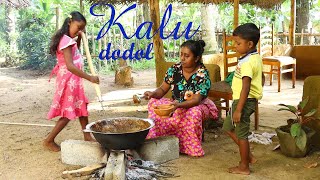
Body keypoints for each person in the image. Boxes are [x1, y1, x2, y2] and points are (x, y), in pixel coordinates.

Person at [144, 40, 218, 157]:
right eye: (181, 54)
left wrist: (178, 105)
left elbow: (196, 100)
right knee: (153, 103)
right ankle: (158, 141)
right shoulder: (175, 69)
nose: (182, 58)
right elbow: (163, 89)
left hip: (197, 105)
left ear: (196, 58)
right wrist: (152, 94)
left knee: (194, 113)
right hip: (176, 104)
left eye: (187, 56)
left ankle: (190, 148)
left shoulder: (202, 74)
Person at [43, 11, 99, 152]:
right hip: (69, 80)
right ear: (69, 22)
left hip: (74, 80)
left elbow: (76, 52)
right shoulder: (65, 41)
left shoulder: (68, 39)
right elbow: (70, 65)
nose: (80, 31)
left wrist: (79, 38)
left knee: (82, 107)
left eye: (82, 29)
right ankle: (49, 140)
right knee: (69, 112)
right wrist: (90, 77)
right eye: (78, 27)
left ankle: (87, 136)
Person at [222, 23, 263, 175]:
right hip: (240, 101)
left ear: (250, 44)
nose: (234, 46)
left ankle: (244, 166)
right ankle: (248, 156)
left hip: (243, 102)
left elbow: (246, 87)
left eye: (238, 43)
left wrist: (239, 109)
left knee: (242, 134)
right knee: (227, 127)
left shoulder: (247, 62)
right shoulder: (253, 57)